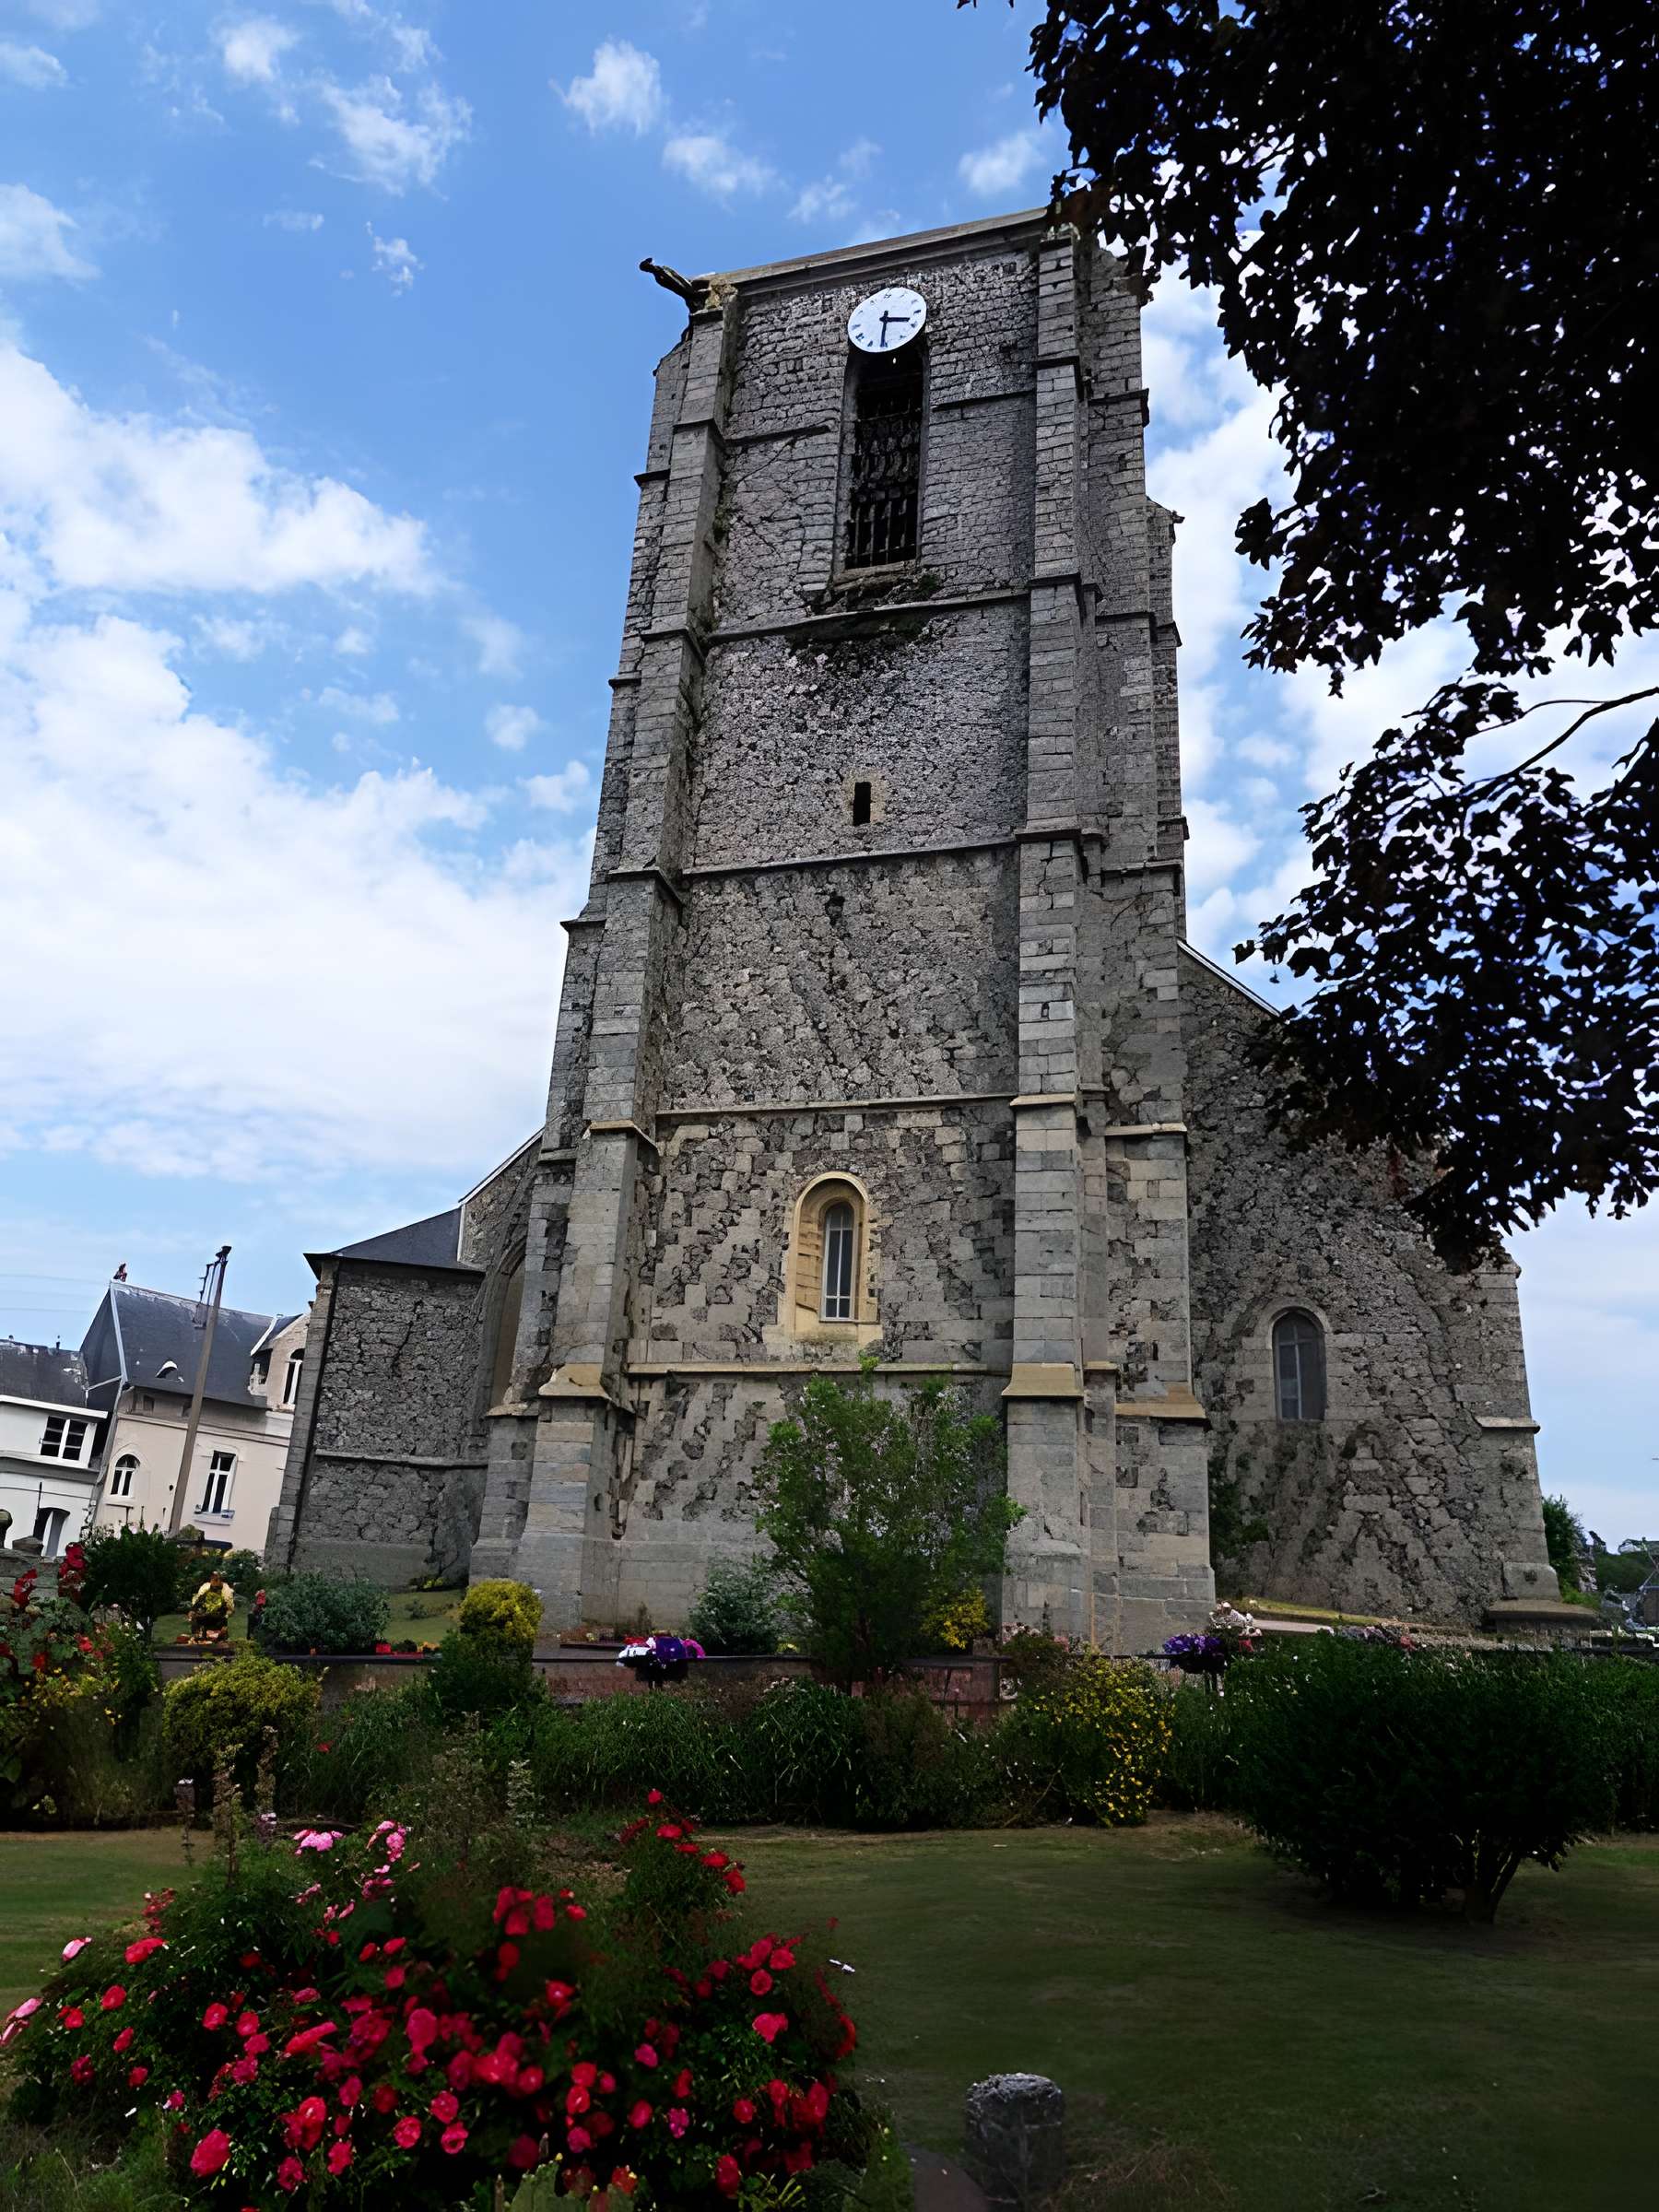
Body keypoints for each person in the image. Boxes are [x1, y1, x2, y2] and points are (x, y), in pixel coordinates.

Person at [188, 1567, 235, 1643]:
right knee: (197, 1623)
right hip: (204, 1618)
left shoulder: (226, 1592)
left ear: (220, 1581)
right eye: (212, 1580)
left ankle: (221, 1638)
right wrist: (192, 1610)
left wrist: (224, 1614)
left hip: (218, 1620)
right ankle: (197, 1637)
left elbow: (229, 1609)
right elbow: (199, 1601)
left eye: (216, 1581)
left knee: (220, 1641)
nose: (213, 1584)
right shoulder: (206, 1588)